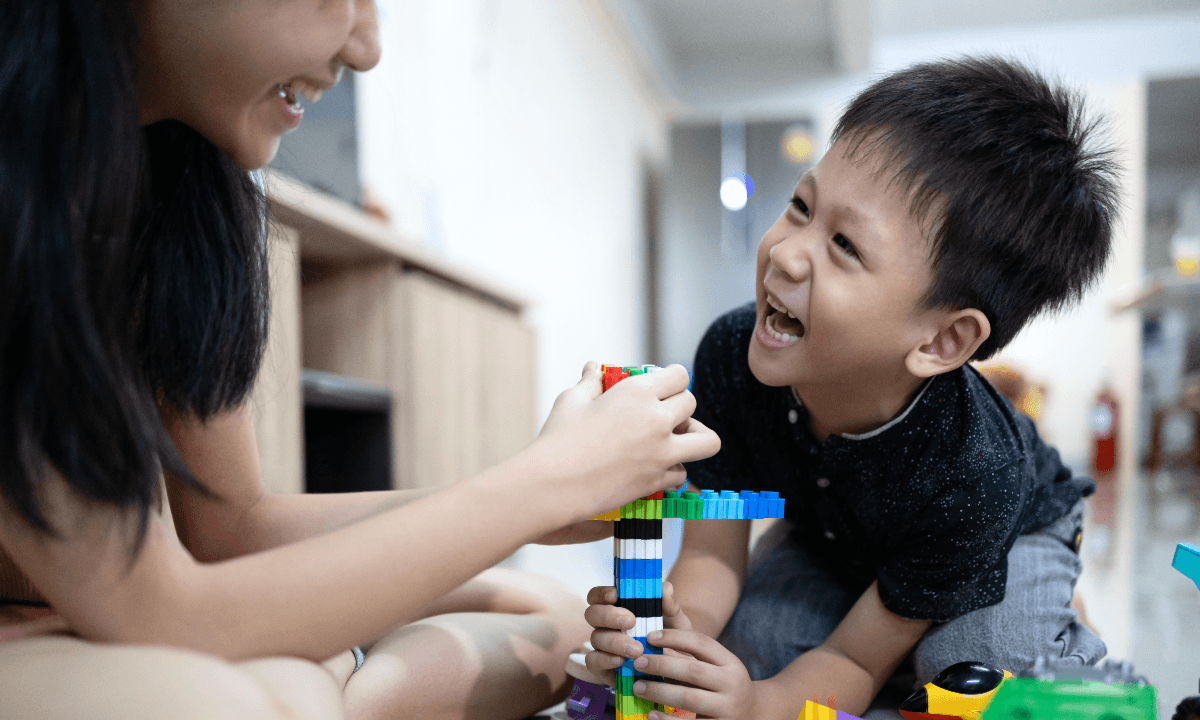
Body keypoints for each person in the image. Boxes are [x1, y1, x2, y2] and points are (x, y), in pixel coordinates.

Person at [0, 2, 720, 719]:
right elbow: (159, 611)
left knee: (551, 611)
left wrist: (537, 501)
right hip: (88, 622)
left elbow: (232, 531)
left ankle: (333, 696)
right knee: (235, 701)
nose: (367, 47)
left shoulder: (169, 180)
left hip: (125, 613)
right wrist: (542, 484)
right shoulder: (30, 197)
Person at [583, 56, 1119, 719]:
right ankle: (906, 624)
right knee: (750, 647)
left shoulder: (974, 472)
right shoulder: (730, 354)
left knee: (979, 676)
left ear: (940, 342)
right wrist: (669, 639)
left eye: (844, 245)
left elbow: (853, 660)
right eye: (801, 206)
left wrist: (757, 705)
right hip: (839, 532)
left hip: (1003, 535)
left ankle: (1049, 620)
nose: (784, 251)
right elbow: (712, 557)